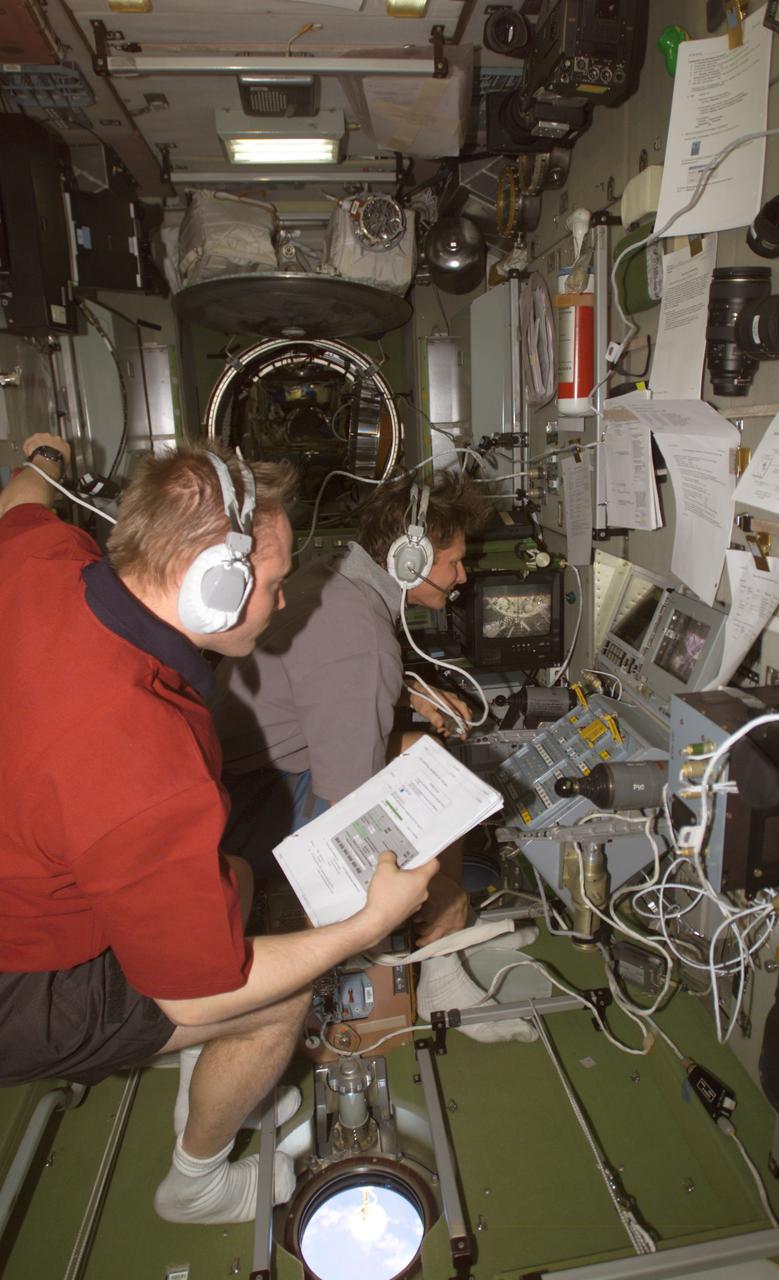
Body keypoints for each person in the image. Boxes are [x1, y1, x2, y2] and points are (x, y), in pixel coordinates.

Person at [0, 433, 438, 1226]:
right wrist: (371, 922)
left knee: (232, 877)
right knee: (281, 996)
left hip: (31, 857)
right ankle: (196, 1186)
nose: (279, 601)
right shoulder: (141, 757)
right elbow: (200, 994)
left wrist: (44, 462)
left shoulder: (42, 561)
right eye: (271, 583)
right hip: (18, 983)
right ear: (214, 586)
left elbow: (18, 502)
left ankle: (211, 1080)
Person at [211, 468, 492, 946]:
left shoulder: (333, 576)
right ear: (410, 560)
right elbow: (355, 811)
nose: (462, 577)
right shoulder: (363, 643)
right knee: (434, 778)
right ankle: (443, 943)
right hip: (241, 809)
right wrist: (439, 887)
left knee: (419, 750)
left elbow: (320, 670)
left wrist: (409, 691)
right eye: (454, 563)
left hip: (223, 774)